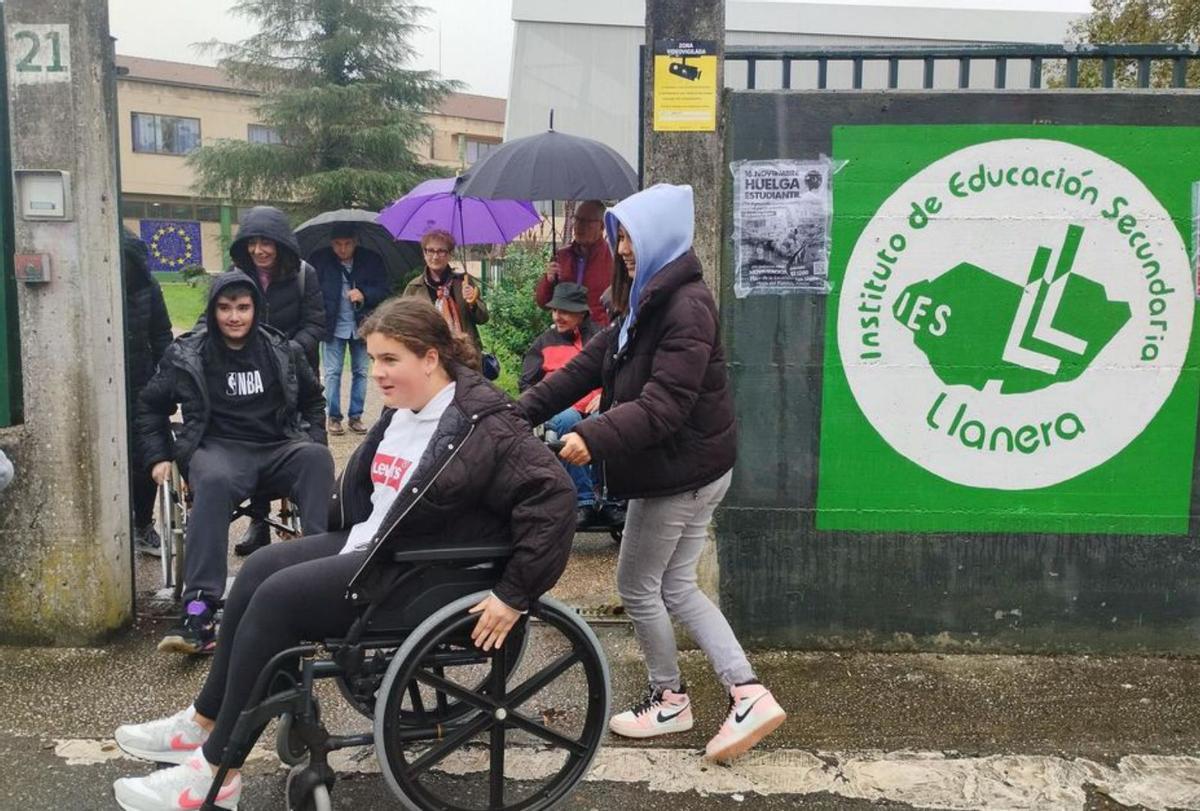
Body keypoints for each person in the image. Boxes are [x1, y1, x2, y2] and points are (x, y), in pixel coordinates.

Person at [112, 297, 575, 811]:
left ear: (430, 358)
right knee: (260, 567)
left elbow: (553, 497)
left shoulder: (483, 421)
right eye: (372, 359)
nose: (376, 373)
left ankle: (219, 773)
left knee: (279, 599)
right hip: (379, 543)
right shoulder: (405, 410)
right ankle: (203, 720)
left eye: (389, 359)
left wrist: (513, 594)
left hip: (423, 570)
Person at [517, 183, 786, 763]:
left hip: (679, 471)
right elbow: (588, 365)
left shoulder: (685, 306)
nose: (626, 250)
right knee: (676, 585)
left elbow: (666, 404)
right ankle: (745, 692)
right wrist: (517, 411)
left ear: (662, 235)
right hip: (689, 466)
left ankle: (672, 697)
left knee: (639, 584)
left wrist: (591, 435)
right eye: (621, 239)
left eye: (633, 237)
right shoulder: (646, 301)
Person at [136, 271, 334, 655]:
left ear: (256, 309)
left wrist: (314, 438)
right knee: (210, 479)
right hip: (219, 448)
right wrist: (158, 456)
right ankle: (199, 607)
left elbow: (313, 400)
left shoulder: (282, 349)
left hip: (277, 445)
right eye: (225, 308)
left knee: (316, 458)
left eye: (243, 307)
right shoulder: (188, 353)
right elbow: (150, 404)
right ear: (212, 311)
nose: (234, 316)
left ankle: (323, 583)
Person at [225, 206, 327, 556]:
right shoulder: (236, 274)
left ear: (280, 243)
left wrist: (287, 354)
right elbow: (217, 316)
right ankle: (258, 521)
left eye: (266, 243)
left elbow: (316, 324)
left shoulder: (304, 275)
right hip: (251, 374)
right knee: (255, 437)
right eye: (252, 243)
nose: (258, 251)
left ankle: (314, 524)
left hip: (296, 375)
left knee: (303, 442)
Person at [519, 282, 622, 528]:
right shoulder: (543, 342)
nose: (557, 316)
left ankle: (611, 501)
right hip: (561, 409)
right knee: (568, 421)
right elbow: (527, 384)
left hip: (595, 404)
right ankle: (583, 500)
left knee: (604, 419)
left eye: (564, 311)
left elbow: (618, 375)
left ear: (582, 313)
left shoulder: (601, 337)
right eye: (554, 310)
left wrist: (606, 394)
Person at [122, 228, 174, 556]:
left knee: (146, 457)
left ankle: (143, 524)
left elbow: (162, 334)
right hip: (104, 387)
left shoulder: (147, 286)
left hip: (142, 384)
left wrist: (165, 379)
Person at [310, 222, 390, 436]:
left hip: (363, 326)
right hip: (332, 326)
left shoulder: (371, 260)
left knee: (362, 372)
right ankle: (334, 417)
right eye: (337, 244)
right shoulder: (320, 261)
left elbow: (383, 289)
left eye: (347, 244)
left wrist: (364, 293)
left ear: (356, 242)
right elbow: (312, 291)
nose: (342, 249)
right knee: (333, 373)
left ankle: (356, 416)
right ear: (331, 243)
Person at [402, 229, 488, 354]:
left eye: (441, 251)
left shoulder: (463, 282)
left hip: (465, 356)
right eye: (430, 251)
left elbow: (483, 318)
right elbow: (405, 326)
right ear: (424, 253)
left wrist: (472, 303)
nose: (435, 256)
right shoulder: (414, 288)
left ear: (450, 254)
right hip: (429, 356)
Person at [535, 200, 614, 327]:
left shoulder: (613, 259)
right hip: (566, 334)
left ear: (602, 226)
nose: (579, 226)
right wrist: (548, 280)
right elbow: (543, 303)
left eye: (586, 221)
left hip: (599, 335)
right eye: (577, 219)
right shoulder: (562, 257)